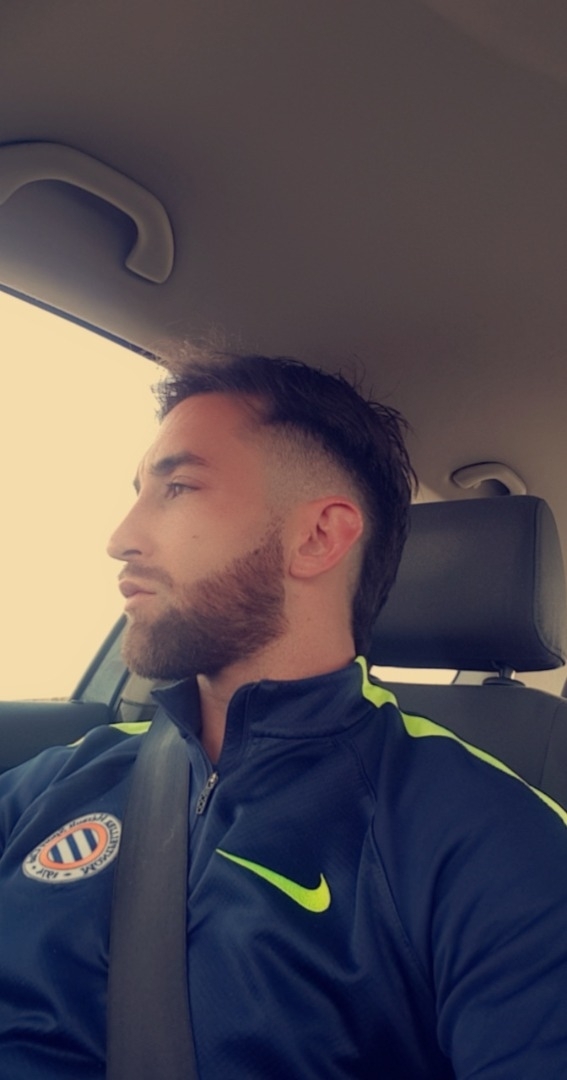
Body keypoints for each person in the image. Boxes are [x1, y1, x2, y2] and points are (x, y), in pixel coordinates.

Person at [0, 349, 566, 1079]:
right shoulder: (60, 778)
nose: (121, 538)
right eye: (140, 492)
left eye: (177, 488)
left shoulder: (483, 837)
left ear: (318, 537)